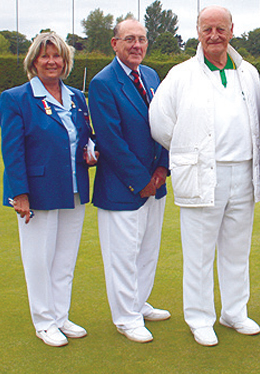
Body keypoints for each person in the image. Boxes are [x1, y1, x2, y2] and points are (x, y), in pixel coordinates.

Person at [149, 5, 260, 347]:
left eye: (220, 29)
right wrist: (189, 152)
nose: (214, 35)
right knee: (198, 252)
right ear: (198, 32)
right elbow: (160, 122)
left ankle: (234, 312)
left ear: (231, 30)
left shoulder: (249, 73)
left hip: (243, 172)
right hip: (201, 174)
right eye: (207, 29)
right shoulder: (181, 74)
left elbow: (257, 120)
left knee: (237, 249)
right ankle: (199, 317)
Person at [0, 32, 98, 347]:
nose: (52, 61)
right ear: (34, 61)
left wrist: (92, 149)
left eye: (57, 56)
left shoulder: (76, 98)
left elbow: (84, 137)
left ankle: (59, 316)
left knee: (65, 258)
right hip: (37, 193)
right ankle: (44, 322)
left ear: (65, 61)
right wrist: (20, 193)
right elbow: (12, 152)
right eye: (45, 56)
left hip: (73, 188)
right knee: (39, 259)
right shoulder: (16, 98)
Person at [88, 19, 170, 344]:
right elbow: (110, 141)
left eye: (141, 39)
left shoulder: (150, 76)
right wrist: (141, 181)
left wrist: (162, 170)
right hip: (123, 187)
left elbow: (166, 124)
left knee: (148, 251)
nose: (136, 45)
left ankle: (138, 302)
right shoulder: (103, 83)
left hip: (156, 182)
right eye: (129, 39)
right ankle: (126, 317)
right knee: (123, 254)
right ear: (115, 43)